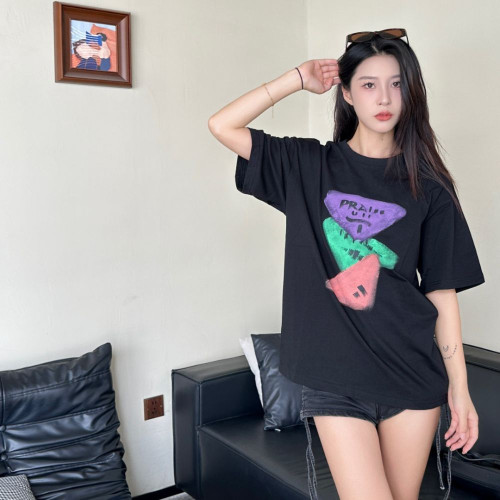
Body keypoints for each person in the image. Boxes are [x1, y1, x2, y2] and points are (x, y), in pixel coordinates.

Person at [208, 28, 485, 500]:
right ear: (348, 93)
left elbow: (441, 292)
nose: (385, 98)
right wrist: (298, 79)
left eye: (396, 84)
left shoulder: (430, 188)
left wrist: (459, 388)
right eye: (369, 84)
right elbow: (222, 125)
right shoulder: (307, 165)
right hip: (335, 379)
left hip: (411, 375)